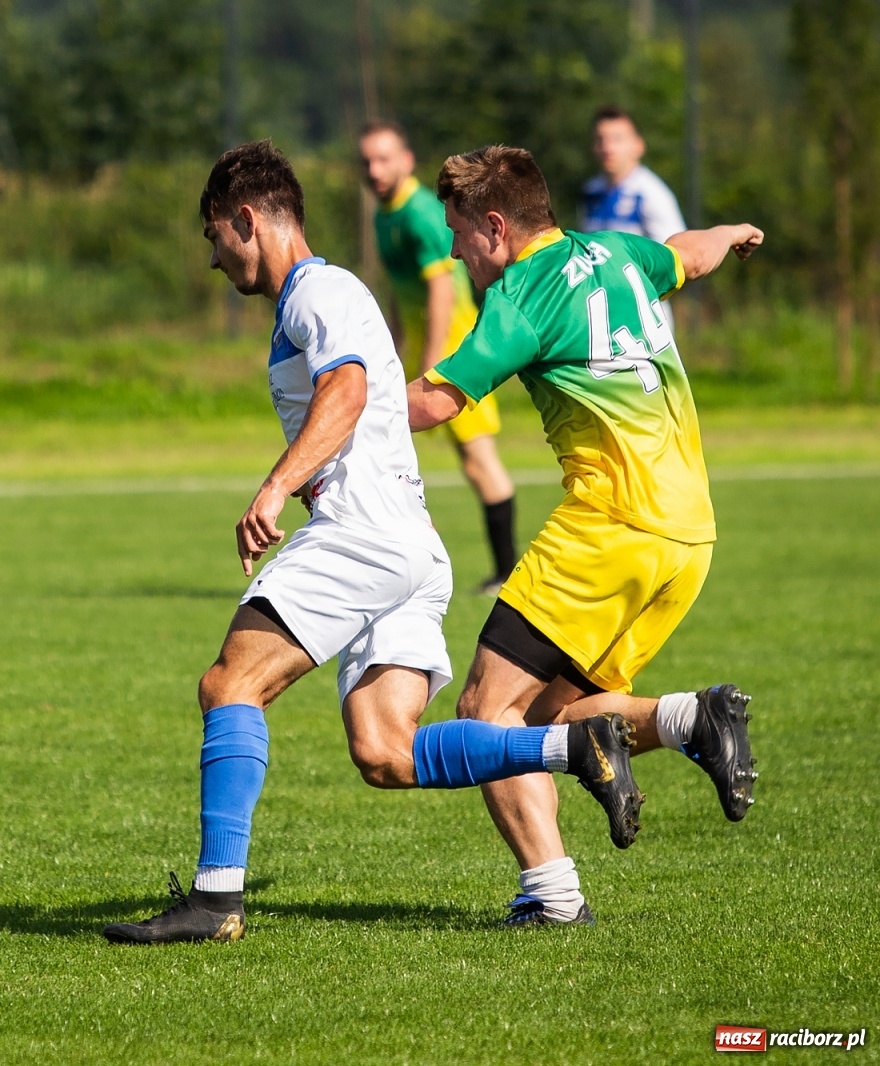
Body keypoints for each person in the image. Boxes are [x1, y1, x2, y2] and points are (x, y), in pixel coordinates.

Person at [103, 141, 644, 946]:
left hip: (362, 533)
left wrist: (279, 482)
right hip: (411, 546)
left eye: (214, 235)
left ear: (247, 220)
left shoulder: (313, 294)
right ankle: (577, 746)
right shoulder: (328, 295)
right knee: (385, 750)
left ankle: (216, 902)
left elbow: (347, 388)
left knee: (229, 686)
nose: (214, 259)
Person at [406, 145, 762, 926]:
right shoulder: (617, 252)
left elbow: (436, 401)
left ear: (495, 227)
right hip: (689, 538)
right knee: (550, 719)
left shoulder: (522, 294)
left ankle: (554, 900)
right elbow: (687, 256)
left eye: (459, 234)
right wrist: (731, 229)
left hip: (609, 527)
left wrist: (333, 417)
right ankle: (691, 718)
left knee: (483, 713)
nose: (458, 251)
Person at [360, 121, 518, 594]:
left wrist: (431, 362)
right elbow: (401, 290)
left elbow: (441, 287)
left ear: (406, 161)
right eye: (366, 160)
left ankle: (508, 573)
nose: (374, 169)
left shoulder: (419, 214)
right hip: (427, 345)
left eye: (384, 158)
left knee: (479, 458)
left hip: (452, 347)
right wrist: (390, 341)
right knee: (442, 457)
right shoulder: (385, 214)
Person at [581, 106, 686, 242]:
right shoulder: (591, 190)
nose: (607, 148)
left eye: (617, 139)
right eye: (600, 139)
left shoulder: (651, 194)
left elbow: (674, 253)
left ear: (638, 146)